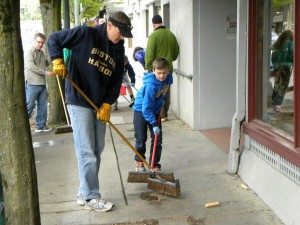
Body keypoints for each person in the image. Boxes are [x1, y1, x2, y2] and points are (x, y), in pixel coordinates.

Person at [47, 11, 133, 212]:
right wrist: (57, 60)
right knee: (86, 150)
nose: (121, 38)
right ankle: (91, 196)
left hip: (99, 104)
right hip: (79, 100)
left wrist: (107, 104)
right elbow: (54, 39)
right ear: (110, 25)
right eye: (120, 33)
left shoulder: (118, 50)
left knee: (97, 150)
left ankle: (83, 191)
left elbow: (116, 80)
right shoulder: (86, 34)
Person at [132, 58, 173, 172]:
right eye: (159, 73)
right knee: (141, 138)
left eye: (164, 73)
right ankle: (139, 162)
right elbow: (146, 109)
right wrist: (154, 123)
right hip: (141, 110)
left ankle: (154, 165)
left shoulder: (168, 79)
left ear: (168, 71)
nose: (162, 76)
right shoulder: (151, 86)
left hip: (155, 110)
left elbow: (163, 93)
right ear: (153, 70)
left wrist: (160, 105)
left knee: (157, 139)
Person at [145, 15, 179, 122]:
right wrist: (169, 61)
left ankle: (158, 114)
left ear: (153, 24)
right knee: (166, 91)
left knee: (155, 92)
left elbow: (149, 54)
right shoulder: (171, 35)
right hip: (168, 70)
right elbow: (175, 53)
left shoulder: (153, 36)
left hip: (157, 70)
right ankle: (164, 114)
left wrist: (147, 67)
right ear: (162, 22)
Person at [24, 32, 53, 132]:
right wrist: (45, 73)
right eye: (39, 42)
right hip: (32, 83)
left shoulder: (42, 52)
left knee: (43, 105)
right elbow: (31, 67)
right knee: (30, 105)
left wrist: (53, 55)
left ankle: (40, 125)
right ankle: (22, 125)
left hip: (42, 83)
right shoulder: (29, 51)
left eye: (42, 43)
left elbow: (46, 63)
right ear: (34, 40)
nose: (40, 44)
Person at [271, 29, 294, 112]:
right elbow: (293, 54)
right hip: (286, 66)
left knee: (277, 84)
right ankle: (277, 104)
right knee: (283, 86)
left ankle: (273, 100)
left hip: (277, 66)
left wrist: (275, 65)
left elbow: (273, 57)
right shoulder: (290, 43)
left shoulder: (277, 44)